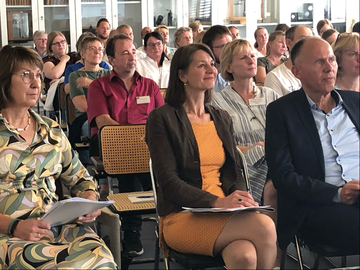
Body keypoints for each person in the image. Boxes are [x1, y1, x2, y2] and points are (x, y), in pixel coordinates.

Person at [145, 43, 277, 269]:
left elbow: (234, 169)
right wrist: (217, 202)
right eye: (201, 65)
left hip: (223, 209)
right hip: (183, 215)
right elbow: (168, 182)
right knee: (264, 226)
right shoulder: (162, 118)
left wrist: (240, 196)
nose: (211, 69)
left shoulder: (220, 116)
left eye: (212, 64)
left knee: (244, 256)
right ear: (182, 75)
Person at [0, 45, 116, 269]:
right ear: (4, 79)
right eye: (26, 75)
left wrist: (89, 201)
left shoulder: (51, 130)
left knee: (102, 260)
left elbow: (80, 179)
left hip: (59, 227)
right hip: (11, 234)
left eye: (38, 75)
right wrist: (13, 226)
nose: (36, 83)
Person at [265, 36, 359, 255]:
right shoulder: (282, 112)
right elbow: (284, 177)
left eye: (331, 60)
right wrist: (337, 193)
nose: (329, 68)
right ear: (297, 72)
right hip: (318, 206)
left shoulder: (355, 102)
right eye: (319, 62)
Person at [87, 34, 164, 256]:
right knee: (128, 167)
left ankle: (168, 226)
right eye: (124, 53)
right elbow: (103, 122)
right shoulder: (98, 86)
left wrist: (144, 139)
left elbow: (160, 121)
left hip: (146, 145)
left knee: (163, 168)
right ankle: (132, 234)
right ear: (111, 59)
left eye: (132, 51)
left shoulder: (150, 86)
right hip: (110, 144)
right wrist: (134, 139)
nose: (132, 56)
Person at [210, 38, 279, 206]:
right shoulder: (217, 102)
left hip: (275, 158)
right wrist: (251, 149)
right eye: (243, 58)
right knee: (273, 187)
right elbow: (219, 146)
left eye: (252, 56)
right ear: (229, 67)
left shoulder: (271, 95)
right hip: (240, 162)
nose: (251, 61)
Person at [69, 36, 110, 164]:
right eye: (92, 49)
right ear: (82, 54)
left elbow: (116, 100)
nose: (98, 52)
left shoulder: (108, 74)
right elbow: (82, 106)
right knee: (98, 126)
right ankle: (100, 172)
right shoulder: (75, 75)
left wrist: (90, 84)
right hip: (86, 117)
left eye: (100, 49)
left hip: (109, 115)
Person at [264, 26, 313, 96]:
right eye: (303, 39)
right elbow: (276, 106)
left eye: (311, 39)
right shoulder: (275, 77)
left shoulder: (317, 72)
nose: (309, 44)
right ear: (289, 43)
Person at [202, 25, 232, 93]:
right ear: (209, 49)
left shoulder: (237, 72)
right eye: (222, 46)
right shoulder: (206, 76)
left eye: (230, 45)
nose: (228, 50)